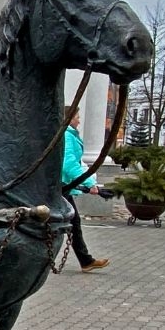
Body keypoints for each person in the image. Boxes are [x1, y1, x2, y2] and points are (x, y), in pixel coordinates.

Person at [61, 106, 108, 272]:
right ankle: (85, 261)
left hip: (63, 186)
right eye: (77, 116)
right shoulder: (66, 135)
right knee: (71, 222)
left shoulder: (68, 134)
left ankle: (86, 260)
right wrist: (90, 184)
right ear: (69, 117)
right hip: (60, 187)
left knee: (73, 223)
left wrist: (86, 186)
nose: (79, 120)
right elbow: (69, 165)